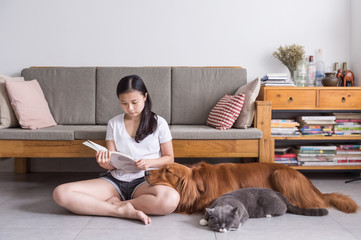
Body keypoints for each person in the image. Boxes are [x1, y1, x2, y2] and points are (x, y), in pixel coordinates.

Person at [53, 75, 180, 224]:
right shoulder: (114, 123)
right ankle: (119, 210)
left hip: (144, 180)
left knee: (170, 200)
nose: (130, 108)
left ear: (145, 97)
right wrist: (104, 163)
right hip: (115, 180)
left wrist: (149, 162)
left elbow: (169, 157)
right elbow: (112, 164)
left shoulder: (159, 123)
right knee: (61, 193)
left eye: (134, 102)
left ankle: (117, 204)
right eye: (124, 103)